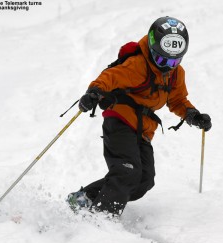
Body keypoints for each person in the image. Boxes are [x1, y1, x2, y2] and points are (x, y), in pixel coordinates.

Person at [66, 16, 212, 216]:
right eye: (162, 59)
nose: (167, 66)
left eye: (174, 61)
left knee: (144, 180)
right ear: (152, 50)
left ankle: (83, 199)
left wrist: (193, 115)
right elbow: (111, 77)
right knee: (128, 171)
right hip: (120, 121)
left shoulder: (176, 74)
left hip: (143, 130)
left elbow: (177, 100)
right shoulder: (138, 65)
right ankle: (102, 219)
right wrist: (94, 92)